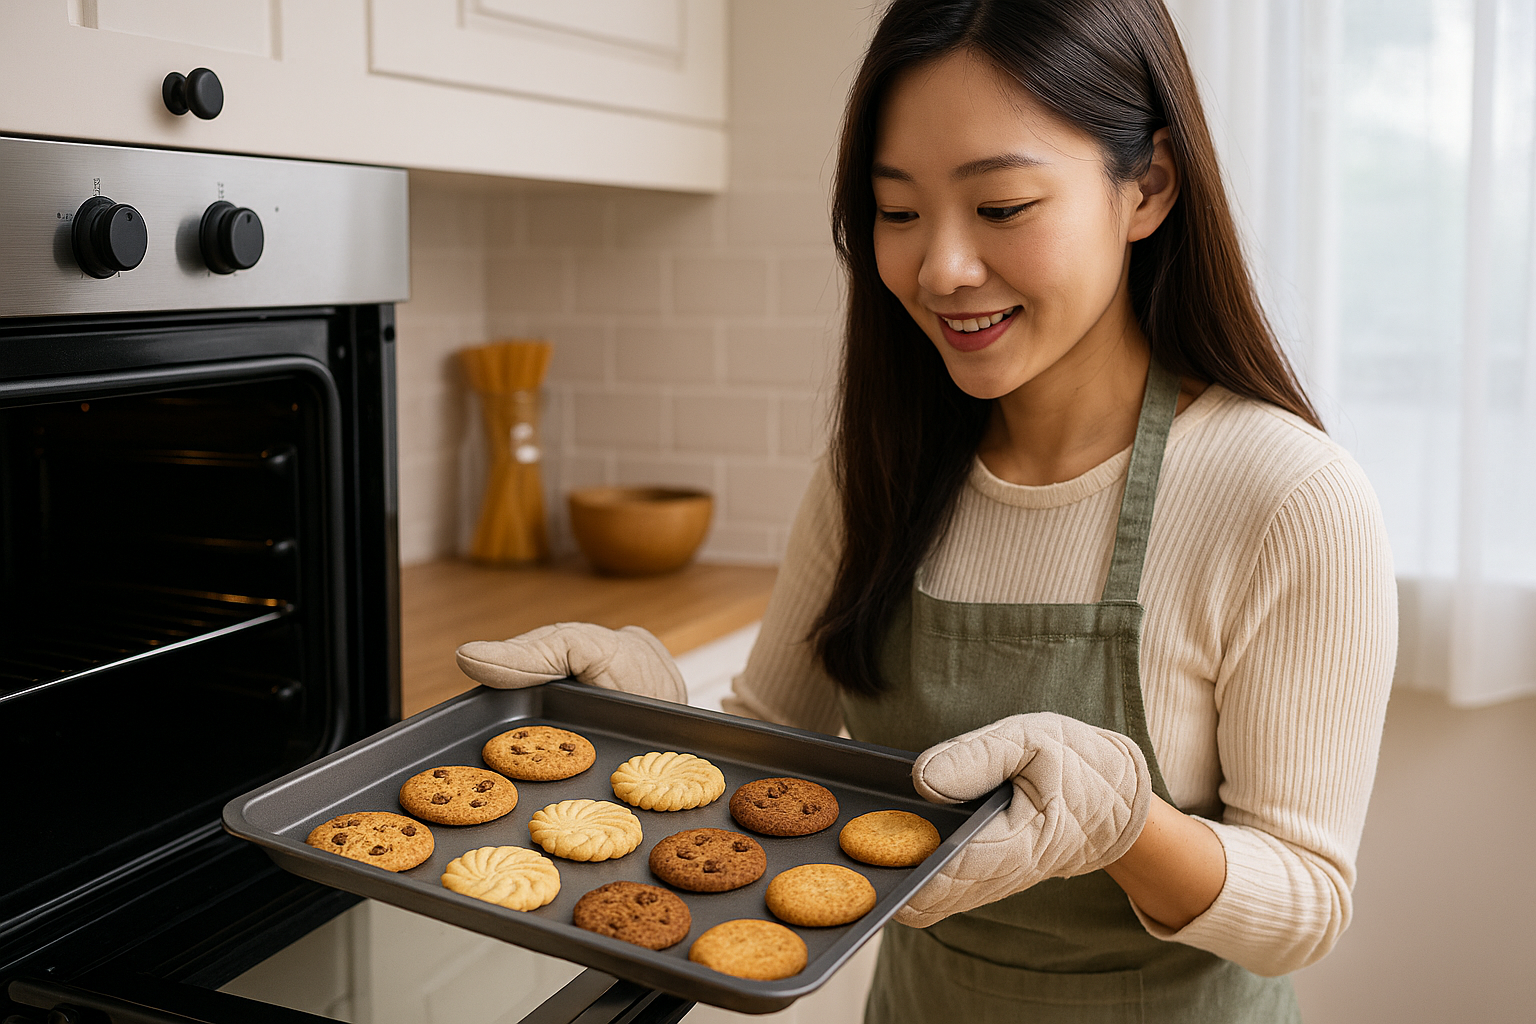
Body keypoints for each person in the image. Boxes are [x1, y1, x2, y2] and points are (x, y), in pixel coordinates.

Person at [456, 1, 1398, 1020]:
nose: (939, 268)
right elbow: (775, 756)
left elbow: (1307, 902)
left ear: (1149, 185)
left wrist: (1130, 826)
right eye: (897, 212)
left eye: (1000, 207)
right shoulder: (877, 467)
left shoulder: (1287, 497)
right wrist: (640, 718)